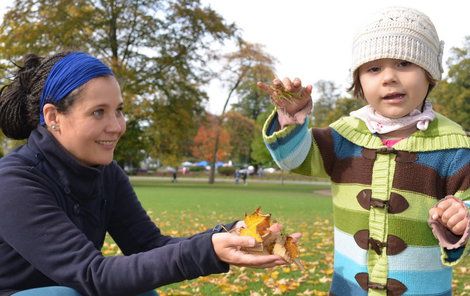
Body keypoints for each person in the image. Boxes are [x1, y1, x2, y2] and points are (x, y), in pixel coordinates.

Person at [0, 52, 292, 296]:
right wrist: (207, 252)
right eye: (98, 112)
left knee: (138, 289)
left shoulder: (106, 174)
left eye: (119, 110)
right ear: (53, 118)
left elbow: (150, 245)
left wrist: (230, 237)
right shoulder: (13, 182)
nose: (117, 126)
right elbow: (91, 274)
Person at [258, 7, 469, 296]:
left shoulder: (453, 145)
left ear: (429, 73)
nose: (389, 77)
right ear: (359, 82)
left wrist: (461, 214)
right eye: (373, 68)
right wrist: (292, 118)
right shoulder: (344, 136)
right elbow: (294, 158)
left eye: (404, 63)